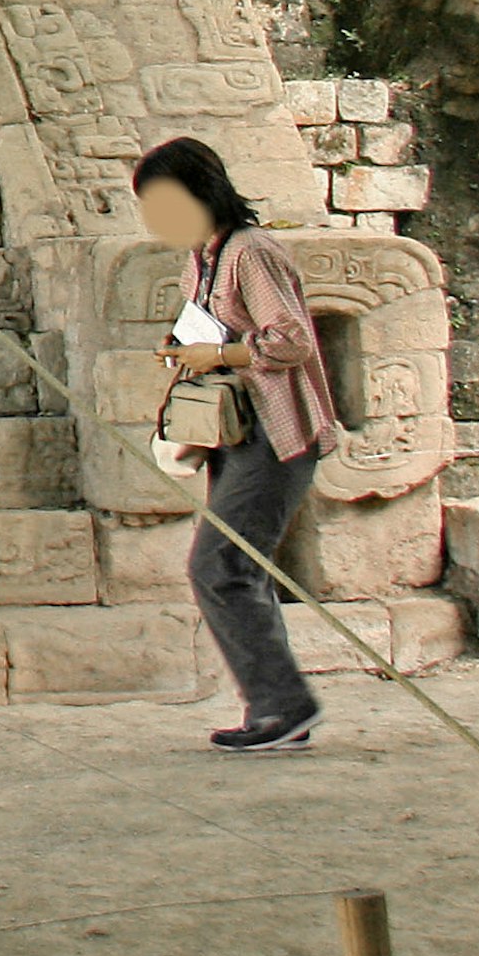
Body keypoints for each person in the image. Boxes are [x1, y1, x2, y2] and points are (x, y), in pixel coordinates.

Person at [131, 134, 339, 753]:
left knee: (217, 566)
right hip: (237, 432)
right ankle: (276, 709)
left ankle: (285, 703)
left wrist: (215, 353)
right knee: (239, 567)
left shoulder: (251, 253)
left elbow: (291, 340)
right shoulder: (205, 256)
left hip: (278, 433)